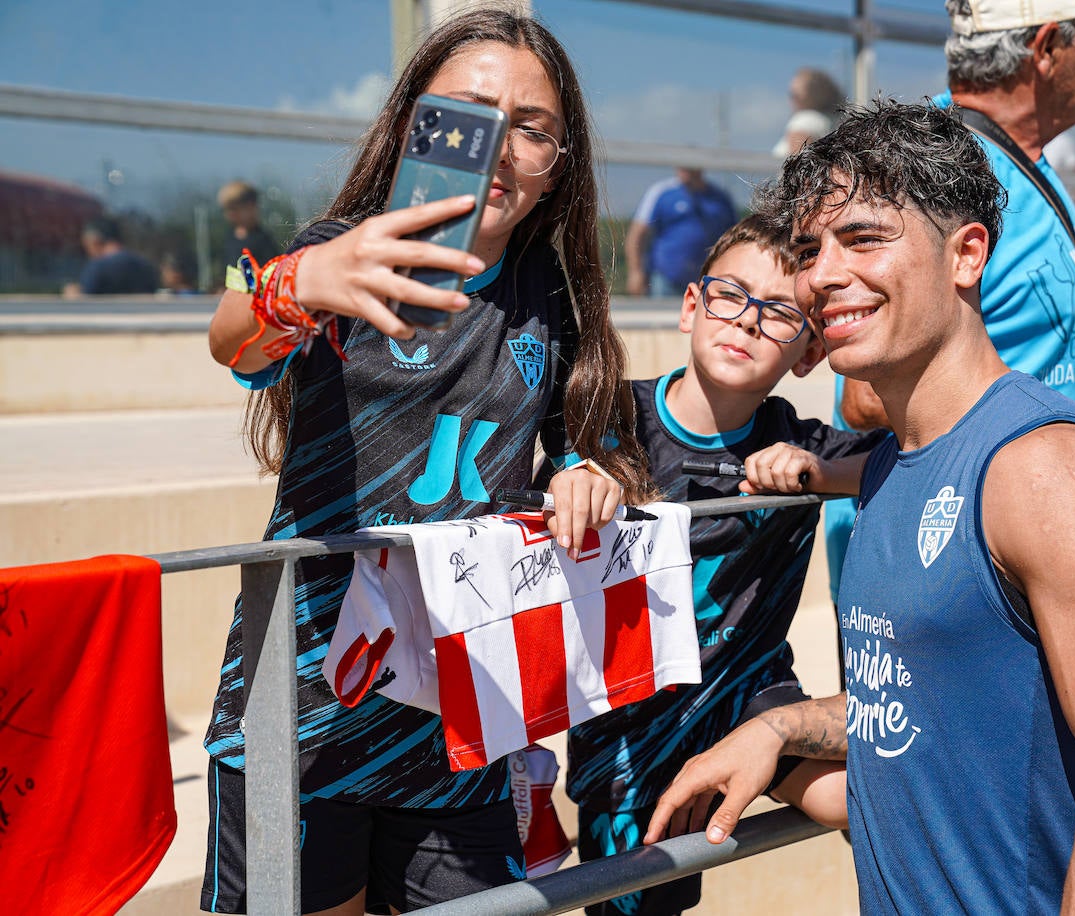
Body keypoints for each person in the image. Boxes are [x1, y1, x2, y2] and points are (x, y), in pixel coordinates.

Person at [645, 98, 1075, 915]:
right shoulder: (886, 466)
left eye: (865, 238)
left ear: (966, 255)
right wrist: (778, 729)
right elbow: (928, 701)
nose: (823, 275)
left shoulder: (1044, 465)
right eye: (811, 249)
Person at [201, 10, 654, 914]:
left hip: (462, 717)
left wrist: (585, 473)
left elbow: (578, 438)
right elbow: (233, 343)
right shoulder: (342, 248)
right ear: (414, 124)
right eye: (468, 117)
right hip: (304, 707)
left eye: (533, 129)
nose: (499, 149)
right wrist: (299, 286)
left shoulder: (547, 292)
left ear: (559, 164)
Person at [565, 215, 884, 916]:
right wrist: (579, 480)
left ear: (808, 352)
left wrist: (819, 475)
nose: (746, 321)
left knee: (856, 797)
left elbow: (907, 458)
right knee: (635, 905)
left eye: (780, 314)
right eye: (730, 296)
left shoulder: (796, 441)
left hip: (747, 696)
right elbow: (545, 499)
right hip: (629, 730)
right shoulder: (613, 419)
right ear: (691, 305)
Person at [836, 0, 1075, 454]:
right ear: (1047, 48)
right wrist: (1049, 430)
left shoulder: (1016, 153)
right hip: (971, 495)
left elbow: (1024, 352)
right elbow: (866, 400)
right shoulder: (929, 167)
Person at [625, 168, 736, 297]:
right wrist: (635, 272)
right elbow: (637, 235)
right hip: (666, 280)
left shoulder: (720, 198)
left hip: (708, 281)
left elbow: (734, 238)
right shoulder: (662, 192)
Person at [64, 215, 159, 295]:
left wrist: (74, 294)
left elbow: (84, 304)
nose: (87, 252)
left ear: (95, 241)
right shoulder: (146, 266)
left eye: (86, 245)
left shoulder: (98, 267)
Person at [772, 67, 845, 157]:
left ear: (814, 95)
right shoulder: (833, 121)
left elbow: (798, 161)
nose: (791, 100)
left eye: (795, 95)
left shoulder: (804, 120)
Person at [217, 179, 280, 271]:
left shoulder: (263, 241)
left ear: (251, 207)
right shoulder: (229, 240)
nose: (230, 214)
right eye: (227, 210)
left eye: (234, 209)